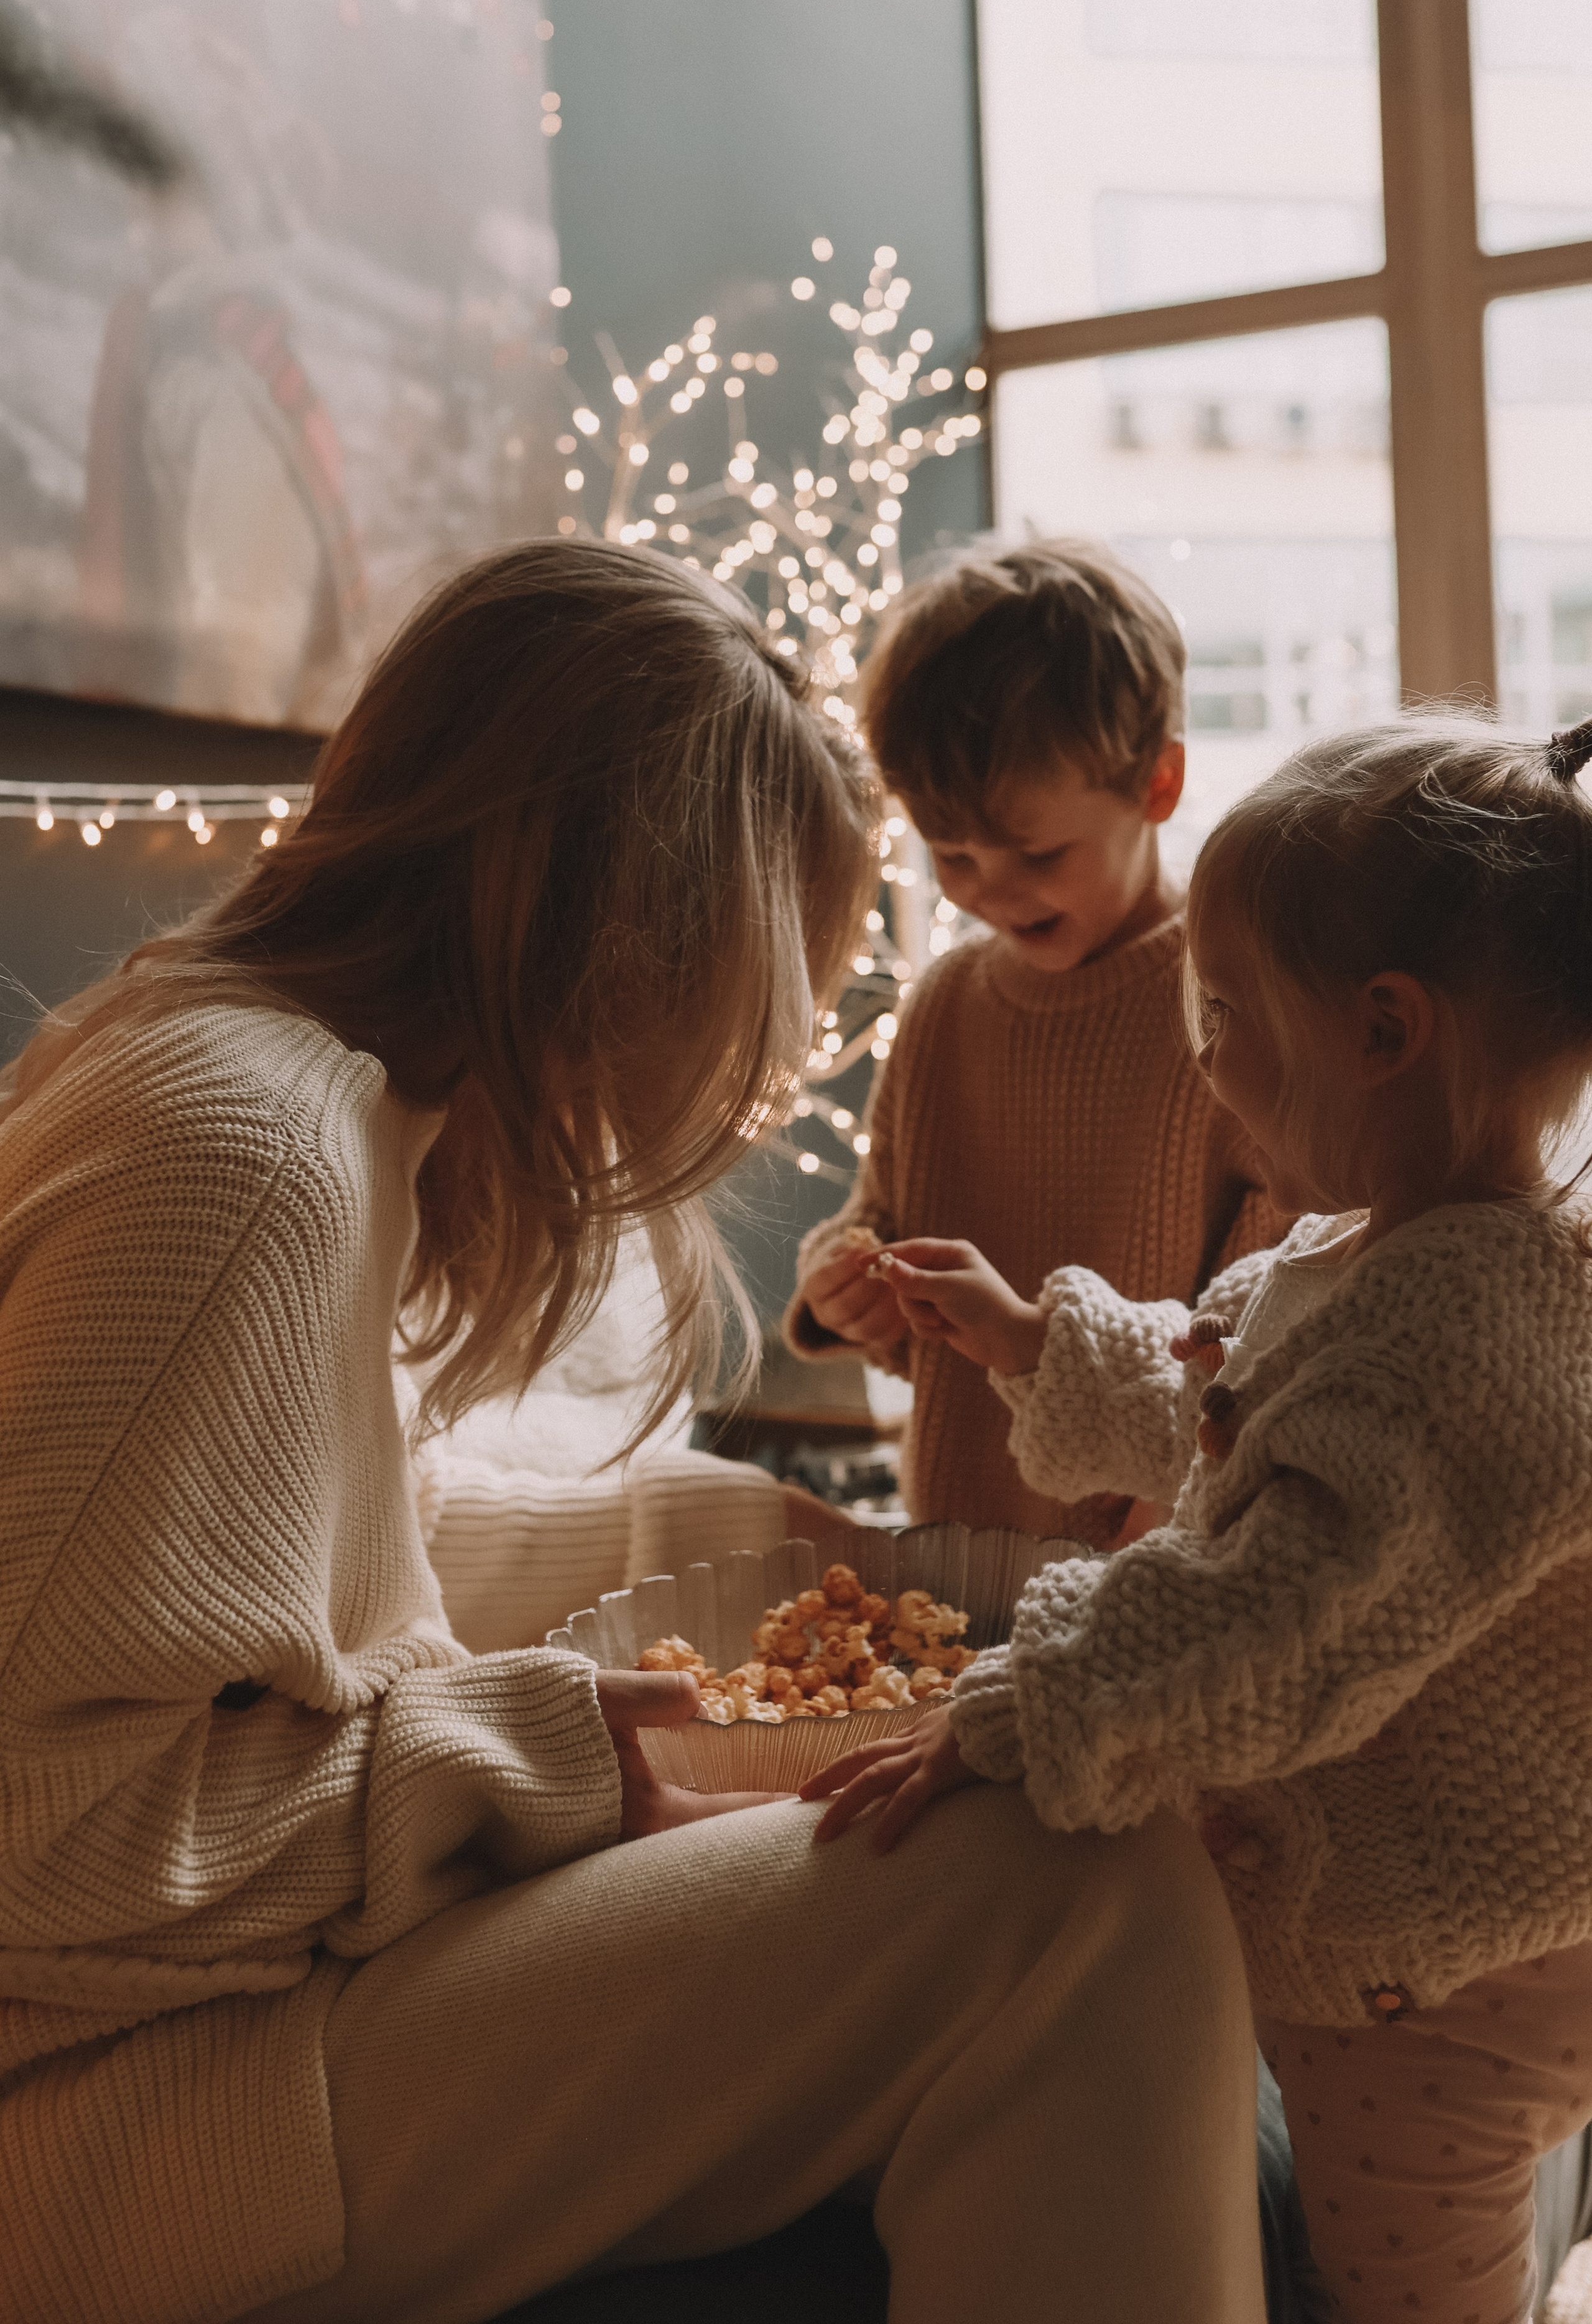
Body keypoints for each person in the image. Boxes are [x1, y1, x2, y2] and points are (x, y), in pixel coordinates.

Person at [0, 540, 1268, 2324]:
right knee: (1078, 1897)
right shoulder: (247, 1159)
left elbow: (279, 1572)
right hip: (127, 2119)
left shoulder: (267, 1082)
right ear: (633, 935)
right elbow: (40, 1841)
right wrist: (534, 1765)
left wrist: (720, 1534)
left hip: (190, 2044)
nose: (749, 1065)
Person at [807, 718, 1592, 2323]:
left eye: (1221, 1014)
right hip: (1428, 1932)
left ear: (1384, 1029)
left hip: (1442, 1980)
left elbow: (1275, 1621)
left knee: (1410, 2293)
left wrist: (1022, 1705)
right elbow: (1223, 1403)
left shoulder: (1475, 1329)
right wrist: (1040, 1337)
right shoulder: (1385, 1254)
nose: (1200, 1054)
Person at [783, 538, 1286, 1543]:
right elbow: (886, 1218)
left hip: (1169, 1545)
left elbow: (1273, 1315)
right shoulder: (942, 1009)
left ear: (1158, 783)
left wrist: (1163, 1504)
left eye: (1038, 852)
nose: (990, 891)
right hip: (962, 1536)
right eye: (953, 855)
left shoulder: (1237, 999)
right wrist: (849, 1291)